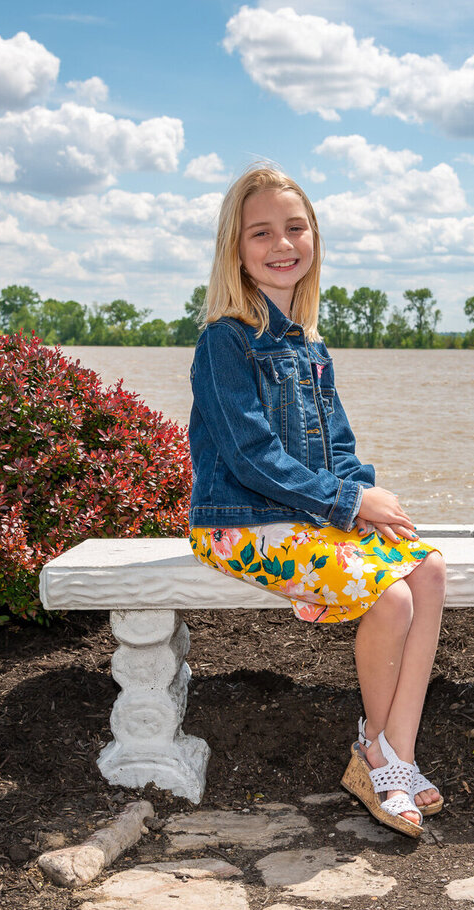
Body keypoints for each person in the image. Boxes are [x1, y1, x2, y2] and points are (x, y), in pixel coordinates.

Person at [187, 163, 447, 837]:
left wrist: (366, 494)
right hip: (239, 525)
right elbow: (250, 456)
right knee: (390, 597)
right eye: (261, 232)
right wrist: (348, 504)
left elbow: (336, 445)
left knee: (429, 568)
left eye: (295, 227)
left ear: (313, 239)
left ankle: (395, 754)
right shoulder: (225, 339)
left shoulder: (308, 343)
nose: (282, 244)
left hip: (305, 515)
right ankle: (373, 754)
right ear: (235, 250)